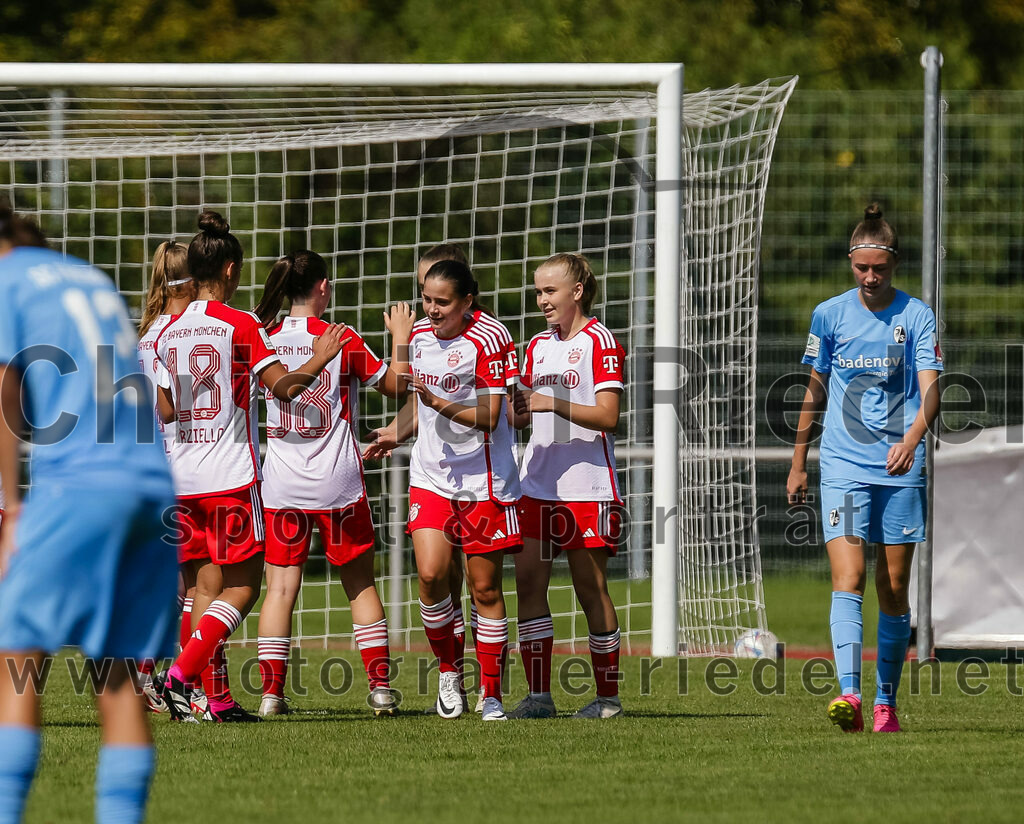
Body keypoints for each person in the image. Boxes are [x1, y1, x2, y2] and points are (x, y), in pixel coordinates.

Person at [0, 205, 179, 823]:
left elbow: (6, 391)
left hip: (78, 486)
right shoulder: (89, 278)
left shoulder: (8, 280)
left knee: (17, 662)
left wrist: (13, 506)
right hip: (153, 488)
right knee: (119, 679)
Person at [155, 211, 344, 723]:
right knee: (243, 589)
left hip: (182, 477)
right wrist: (321, 357)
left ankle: (211, 700)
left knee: (202, 591)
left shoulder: (166, 332)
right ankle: (179, 677)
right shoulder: (241, 324)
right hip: (231, 477)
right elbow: (284, 387)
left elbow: (165, 409)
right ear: (232, 270)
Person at [787, 203, 941, 734]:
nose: (870, 277)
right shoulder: (828, 315)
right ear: (851, 263)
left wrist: (912, 439)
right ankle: (850, 695)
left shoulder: (916, 316)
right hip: (843, 463)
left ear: (893, 262)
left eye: (879, 267)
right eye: (861, 268)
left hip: (901, 468)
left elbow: (932, 393)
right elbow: (814, 387)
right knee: (847, 578)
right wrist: (798, 461)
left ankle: (885, 704)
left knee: (892, 588)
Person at [252, 250, 414, 718]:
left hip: (281, 483)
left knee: (280, 590)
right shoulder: (341, 338)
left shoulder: (263, 337)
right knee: (360, 587)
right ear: (323, 286)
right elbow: (398, 386)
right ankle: (381, 691)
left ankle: (270, 695)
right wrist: (401, 339)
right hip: (338, 482)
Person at [364, 242, 513, 714]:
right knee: (429, 576)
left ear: (467, 300)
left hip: (484, 481)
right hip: (431, 477)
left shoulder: (492, 338)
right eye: (426, 299)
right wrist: (394, 431)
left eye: (441, 302)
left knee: (483, 587)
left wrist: (438, 403)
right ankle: (449, 674)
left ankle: (491, 695)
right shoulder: (421, 336)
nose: (431, 310)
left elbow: (490, 415)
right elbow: (412, 399)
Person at [508, 253, 627, 719]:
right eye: (538, 292)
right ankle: (539, 697)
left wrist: (549, 403)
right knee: (528, 584)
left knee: (589, 588)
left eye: (550, 291)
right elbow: (522, 410)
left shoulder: (601, 341)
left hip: (587, 488)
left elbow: (608, 417)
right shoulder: (536, 345)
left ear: (577, 292)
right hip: (537, 485)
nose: (541, 300)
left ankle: (608, 700)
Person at [136, 240, 205, 714]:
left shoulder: (145, 335)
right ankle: (182, 682)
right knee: (195, 587)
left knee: (176, 586)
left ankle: (157, 678)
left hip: (144, 466)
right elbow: (169, 408)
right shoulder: (175, 333)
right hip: (176, 468)